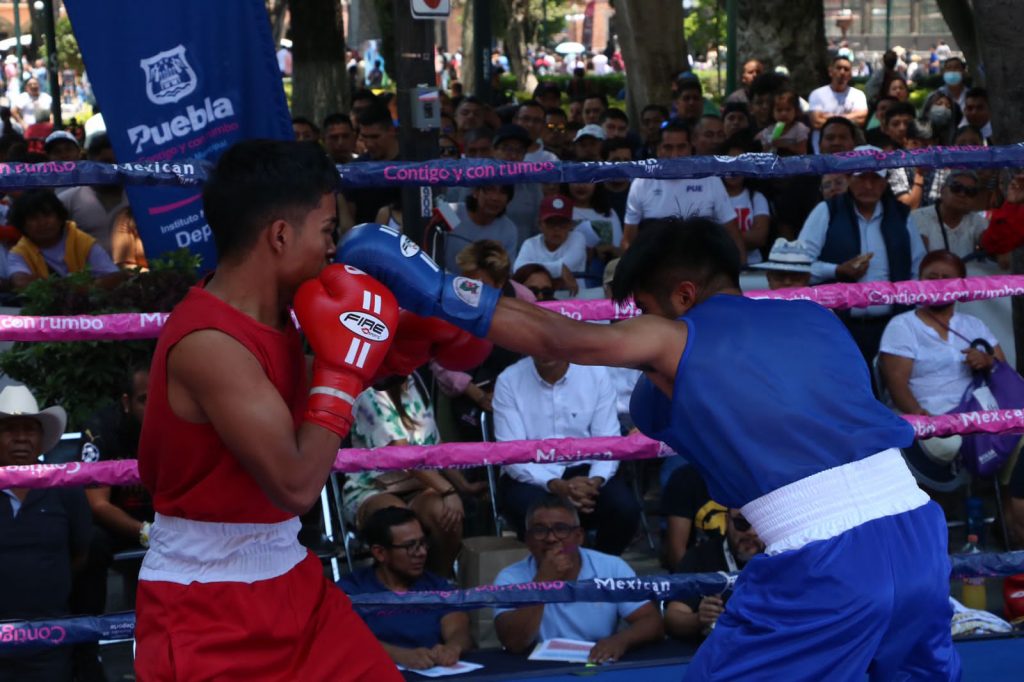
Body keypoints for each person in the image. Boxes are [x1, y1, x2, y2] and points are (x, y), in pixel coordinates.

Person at [338, 214, 961, 680]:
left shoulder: (673, 338)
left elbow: (559, 336)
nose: (640, 326)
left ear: (683, 296)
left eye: (644, 311)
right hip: (918, 533)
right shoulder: (817, 318)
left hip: (825, 558)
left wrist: (427, 283)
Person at [134, 140, 403, 680]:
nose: (335, 250)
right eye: (328, 231)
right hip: (205, 606)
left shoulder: (285, 321)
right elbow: (297, 484)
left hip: (291, 577)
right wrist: (342, 370)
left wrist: (423, 327)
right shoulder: (210, 343)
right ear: (280, 235)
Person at [493, 351, 640, 556]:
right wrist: (558, 486)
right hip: (532, 474)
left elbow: (608, 441)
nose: (545, 348)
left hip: (586, 471)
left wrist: (594, 481)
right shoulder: (509, 380)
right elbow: (512, 455)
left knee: (624, 509)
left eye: (552, 340)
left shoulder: (595, 374)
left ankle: (599, 570)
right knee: (528, 509)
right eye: (537, 341)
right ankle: (547, 573)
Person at [798, 146, 927, 369]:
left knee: (889, 394)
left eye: (875, 178)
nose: (868, 185)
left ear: (885, 182)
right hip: (838, 325)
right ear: (848, 178)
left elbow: (918, 270)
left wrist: (910, 316)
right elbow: (799, 266)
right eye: (861, 177)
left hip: (892, 327)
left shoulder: (901, 216)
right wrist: (837, 271)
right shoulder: (827, 211)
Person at [493, 496, 664, 661]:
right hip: (535, 669)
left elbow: (651, 621)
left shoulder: (611, 567)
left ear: (579, 536)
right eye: (539, 530)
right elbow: (513, 643)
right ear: (528, 540)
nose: (551, 538)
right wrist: (542, 582)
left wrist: (620, 641)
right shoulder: (510, 578)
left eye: (561, 529)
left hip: (596, 663)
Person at [0, 385, 89, 682]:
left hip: (50, 638)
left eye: (29, 429)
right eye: (10, 429)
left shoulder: (65, 488)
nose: (22, 437)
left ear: (41, 439)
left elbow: (80, 553)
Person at [342, 369, 464, 576]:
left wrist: (463, 485)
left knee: (446, 513)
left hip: (420, 484)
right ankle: (401, 595)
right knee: (398, 521)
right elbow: (402, 455)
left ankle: (440, 587)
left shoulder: (415, 379)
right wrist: (449, 491)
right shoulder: (370, 386)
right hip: (371, 488)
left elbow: (435, 446)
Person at [338, 506, 473, 670]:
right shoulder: (352, 590)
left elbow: (459, 628)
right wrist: (400, 656)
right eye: (411, 546)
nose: (422, 552)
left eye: (423, 543)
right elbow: (345, 639)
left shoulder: (437, 586)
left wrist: (452, 648)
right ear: (380, 553)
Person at [879, 250, 1004, 418]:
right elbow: (897, 387)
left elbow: (1004, 371)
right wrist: (925, 420)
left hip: (977, 415)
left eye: (946, 278)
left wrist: (987, 361)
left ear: (961, 286)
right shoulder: (902, 325)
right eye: (931, 278)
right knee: (947, 445)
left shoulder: (974, 324)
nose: (938, 284)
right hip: (926, 418)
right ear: (919, 282)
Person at [621, 122, 740, 255]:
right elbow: (628, 242)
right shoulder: (641, 183)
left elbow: (732, 233)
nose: (675, 155)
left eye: (681, 147)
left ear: (691, 148)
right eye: (668, 147)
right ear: (658, 150)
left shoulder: (710, 179)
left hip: (701, 265)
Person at [664, 508, 765, 641]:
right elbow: (672, 618)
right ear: (726, 520)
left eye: (760, 524)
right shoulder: (700, 556)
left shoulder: (784, 556)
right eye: (742, 523)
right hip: (719, 651)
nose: (751, 532)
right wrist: (698, 619)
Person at [7, 188, 122, 291]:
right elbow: (20, 282)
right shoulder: (19, 252)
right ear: (22, 224)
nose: (42, 223)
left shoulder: (83, 242)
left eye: (47, 215)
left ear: (60, 217)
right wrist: (69, 288)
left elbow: (114, 277)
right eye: (33, 218)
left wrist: (80, 290)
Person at [57, 134, 129, 255]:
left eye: (118, 162)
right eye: (106, 162)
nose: (113, 168)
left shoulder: (139, 198)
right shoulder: (67, 200)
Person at [513, 195, 587, 294]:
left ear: (571, 225)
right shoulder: (530, 243)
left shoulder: (578, 238)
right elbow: (518, 269)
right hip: (539, 298)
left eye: (562, 223)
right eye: (550, 222)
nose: (556, 228)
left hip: (575, 298)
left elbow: (569, 264)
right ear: (540, 225)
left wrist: (534, 270)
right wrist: (560, 269)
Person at [909, 170, 989, 258]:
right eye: (957, 188)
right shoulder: (918, 218)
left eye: (970, 191)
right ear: (942, 190)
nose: (962, 194)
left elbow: (993, 247)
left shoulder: (977, 221)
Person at [443, 184, 517, 272]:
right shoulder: (451, 212)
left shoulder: (508, 230)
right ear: (475, 192)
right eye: (489, 189)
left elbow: (505, 273)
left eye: (503, 192)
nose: (495, 198)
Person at [720, 134, 770, 264]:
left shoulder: (757, 198)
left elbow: (760, 238)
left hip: (753, 266)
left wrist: (720, 236)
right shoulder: (712, 197)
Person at [808, 56, 868, 153]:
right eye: (839, 68)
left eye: (846, 69)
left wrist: (828, 116)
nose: (842, 72)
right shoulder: (817, 94)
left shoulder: (858, 95)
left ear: (850, 74)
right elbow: (816, 121)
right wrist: (850, 117)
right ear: (830, 71)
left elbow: (861, 119)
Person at [757, 90, 809, 155]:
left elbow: (802, 150)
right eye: (779, 110)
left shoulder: (799, 128)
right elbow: (764, 151)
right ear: (772, 112)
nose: (784, 114)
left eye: (788, 109)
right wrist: (770, 143)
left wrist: (784, 144)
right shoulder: (770, 129)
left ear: (796, 111)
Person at [749, 238, 814, 290]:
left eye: (795, 277)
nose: (787, 282)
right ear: (769, 277)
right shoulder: (757, 305)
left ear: (807, 279)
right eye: (780, 276)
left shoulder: (818, 306)